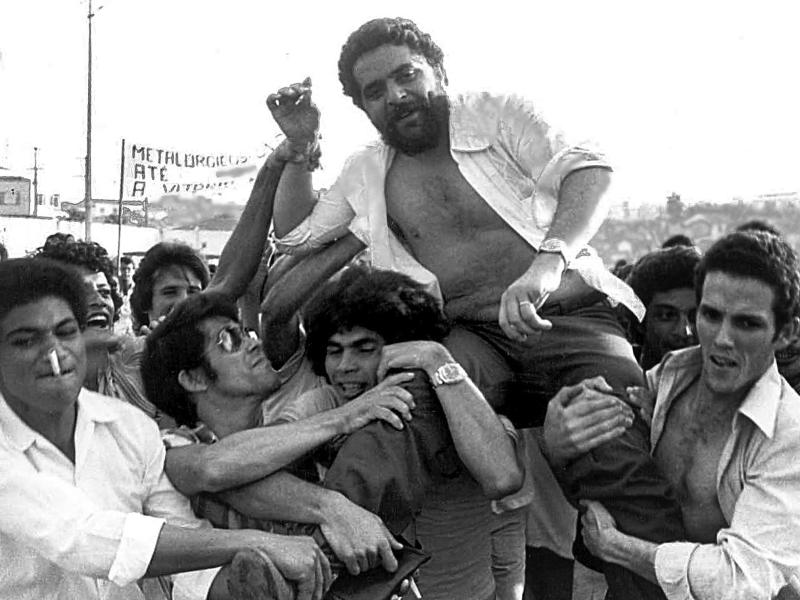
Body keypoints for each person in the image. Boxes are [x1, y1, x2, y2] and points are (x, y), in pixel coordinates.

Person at [266, 16, 682, 598]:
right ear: (362, 108)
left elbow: (590, 170)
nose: (396, 96)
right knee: (395, 413)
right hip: (471, 339)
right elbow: (298, 235)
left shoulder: (497, 114)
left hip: (571, 320)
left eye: (406, 76)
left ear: (438, 71)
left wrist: (545, 265)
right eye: (375, 92)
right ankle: (323, 569)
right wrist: (303, 147)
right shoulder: (367, 170)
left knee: (613, 445)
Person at [0, 258, 330, 600]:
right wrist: (259, 541)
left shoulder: (129, 430)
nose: (55, 353)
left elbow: (184, 545)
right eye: (25, 341)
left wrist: (249, 581)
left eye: (66, 332)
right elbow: (83, 539)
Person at [542, 231, 800, 599]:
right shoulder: (665, 379)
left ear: (786, 334)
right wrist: (559, 449)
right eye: (710, 315)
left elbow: (740, 581)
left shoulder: (789, 435)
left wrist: (617, 548)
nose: (722, 338)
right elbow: (603, 499)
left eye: (747, 323)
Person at [626, 246, 702, 370]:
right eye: (667, 316)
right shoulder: (616, 377)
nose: (684, 332)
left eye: (695, 316)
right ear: (640, 322)